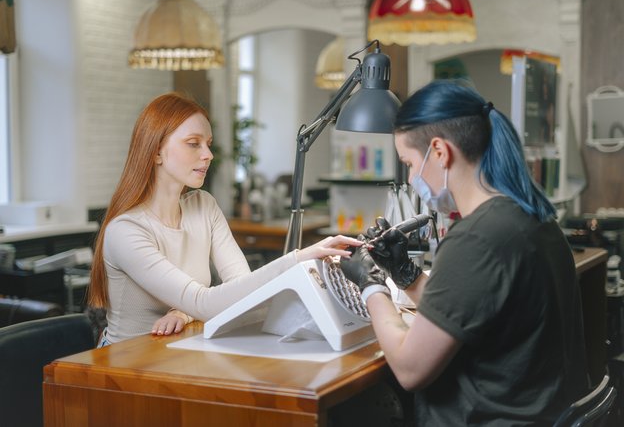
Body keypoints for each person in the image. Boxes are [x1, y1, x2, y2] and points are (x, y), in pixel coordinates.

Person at [341, 80, 588, 426]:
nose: (411, 178)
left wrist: (371, 287)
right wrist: (405, 274)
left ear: (440, 152)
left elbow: (409, 368)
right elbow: (467, 307)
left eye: (410, 164)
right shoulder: (530, 217)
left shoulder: (478, 237)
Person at [89, 92, 361, 346]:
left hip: (182, 350)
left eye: (208, 144)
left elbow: (243, 292)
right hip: (125, 364)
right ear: (156, 151)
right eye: (193, 144)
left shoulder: (203, 206)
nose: (208, 155)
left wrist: (184, 313)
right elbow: (203, 303)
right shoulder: (125, 230)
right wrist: (298, 258)